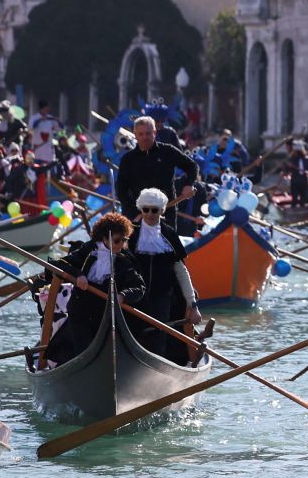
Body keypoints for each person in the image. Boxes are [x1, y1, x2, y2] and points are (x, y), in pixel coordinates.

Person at [33, 212, 142, 369]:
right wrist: (78, 275)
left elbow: (139, 287)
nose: (120, 245)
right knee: (83, 352)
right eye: (117, 240)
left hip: (106, 315)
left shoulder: (125, 260)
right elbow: (59, 264)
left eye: (124, 240)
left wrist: (123, 296)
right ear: (104, 238)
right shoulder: (88, 250)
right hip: (80, 312)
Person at [120, 188, 205, 363]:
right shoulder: (130, 234)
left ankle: (156, 370)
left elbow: (181, 271)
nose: (150, 214)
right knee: (132, 333)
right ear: (141, 209)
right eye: (146, 210)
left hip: (163, 296)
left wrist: (192, 304)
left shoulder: (169, 234)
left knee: (159, 338)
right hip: (134, 297)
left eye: (155, 210)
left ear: (162, 210)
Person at [113, 116, 199, 230]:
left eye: (148, 133)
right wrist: (135, 213)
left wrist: (189, 184)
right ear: (135, 134)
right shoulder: (128, 159)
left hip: (166, 212)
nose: (144, 137)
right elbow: (121, 190)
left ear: (154, 132)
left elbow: (192, 166)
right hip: (137, 217)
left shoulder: (168, 151)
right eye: (141, 134)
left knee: (169, 246)